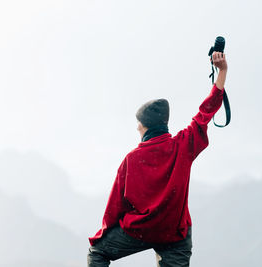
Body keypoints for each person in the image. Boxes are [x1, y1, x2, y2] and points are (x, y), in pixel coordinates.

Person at [87, 52, 228, 267]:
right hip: (174, 231)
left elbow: (114, 207)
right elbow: (204, 114)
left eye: (138, 123)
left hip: (141, 229)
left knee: (97, 252)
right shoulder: (182, 146)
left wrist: (103, 234)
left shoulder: (131, 160)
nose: (136, 127)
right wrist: (223, 71)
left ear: (145, 126)